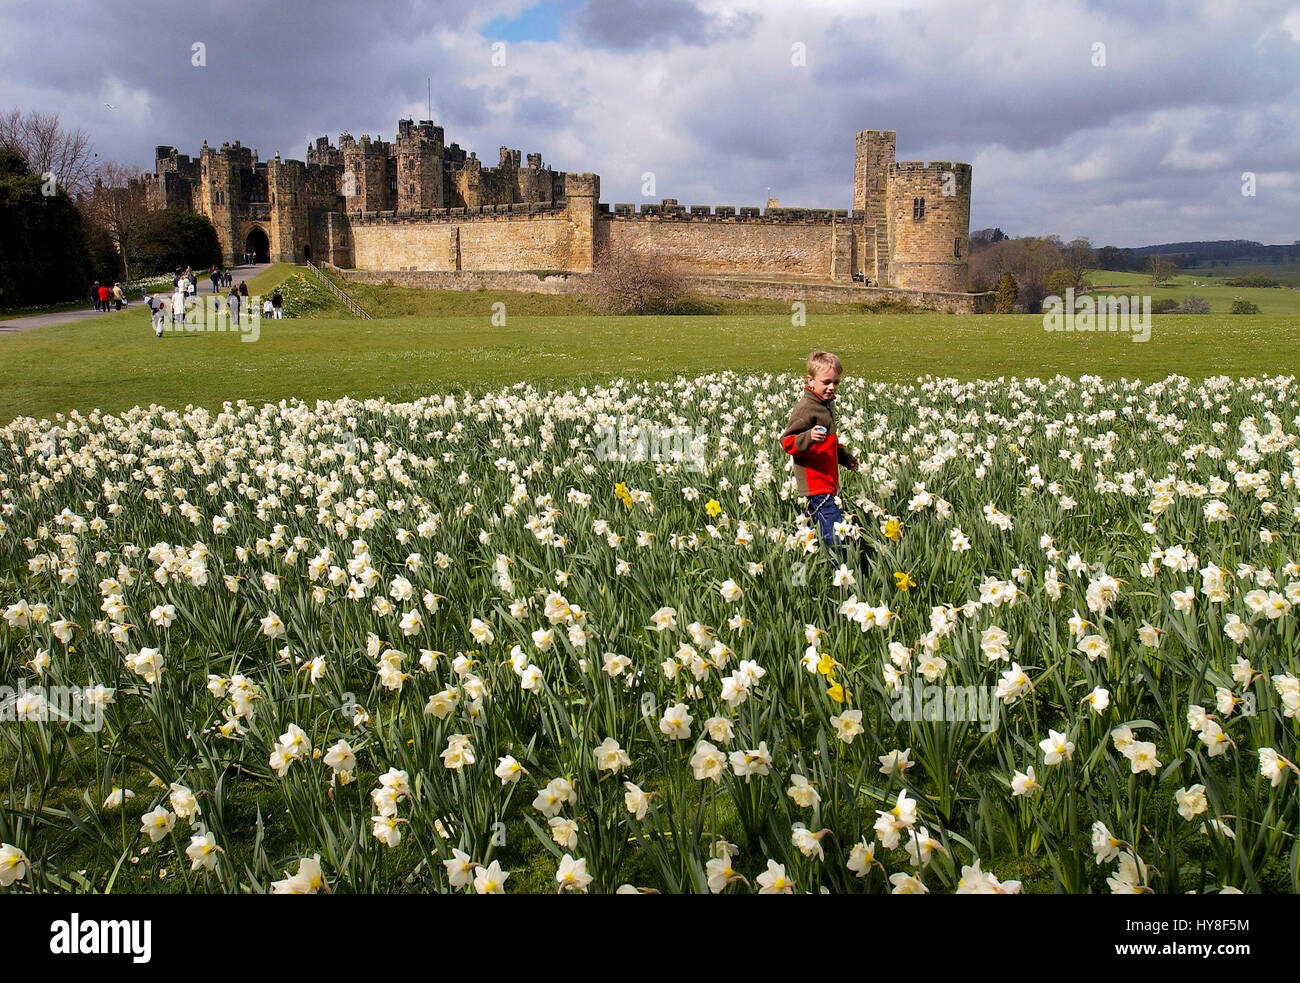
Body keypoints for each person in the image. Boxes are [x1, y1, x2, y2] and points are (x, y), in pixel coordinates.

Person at [779, 350, 861, 569]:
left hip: (826, 479)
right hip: (815, 481)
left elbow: (830, 443)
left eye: (836, 382)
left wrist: (846, 459)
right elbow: (787, 442)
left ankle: (791, 550)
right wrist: (808, 437)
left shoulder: (827, 405)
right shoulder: (806, 408)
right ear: (810, 381)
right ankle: (844, 571)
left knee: (811, 523)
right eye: (826, 382)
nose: (832, 387)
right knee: (834, 530)